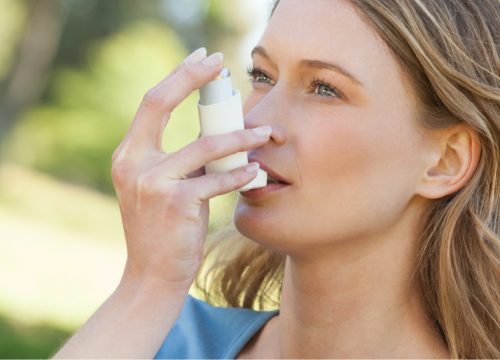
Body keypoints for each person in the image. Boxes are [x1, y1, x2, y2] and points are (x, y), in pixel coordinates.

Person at [53, 0, 499, 358]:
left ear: (445, 161)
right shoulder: (155, 337)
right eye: (262, 76)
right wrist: (147, 287)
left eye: (325, 88)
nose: (253, 121)